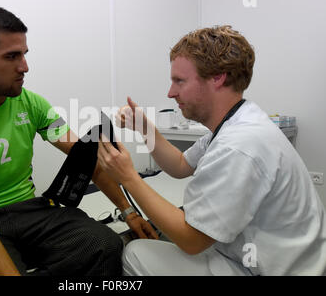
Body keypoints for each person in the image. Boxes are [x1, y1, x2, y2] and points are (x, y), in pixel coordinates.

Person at [0, 2, 157, 276]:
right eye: (12, 56)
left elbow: (87, 159)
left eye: (24, 54)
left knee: (105, 245)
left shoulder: (32, 103)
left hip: (31, 212)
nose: (25, 66)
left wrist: (127, 212)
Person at [97, 25, 326, 275]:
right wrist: (145, 129)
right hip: (256, 257)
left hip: (268, 270)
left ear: (218, 77)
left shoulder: (239, 145)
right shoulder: (238, 121)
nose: (170, 92)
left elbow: (191, 240)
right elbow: (181, 165)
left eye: (179, 81)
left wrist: (128, 177)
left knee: (135, 252)